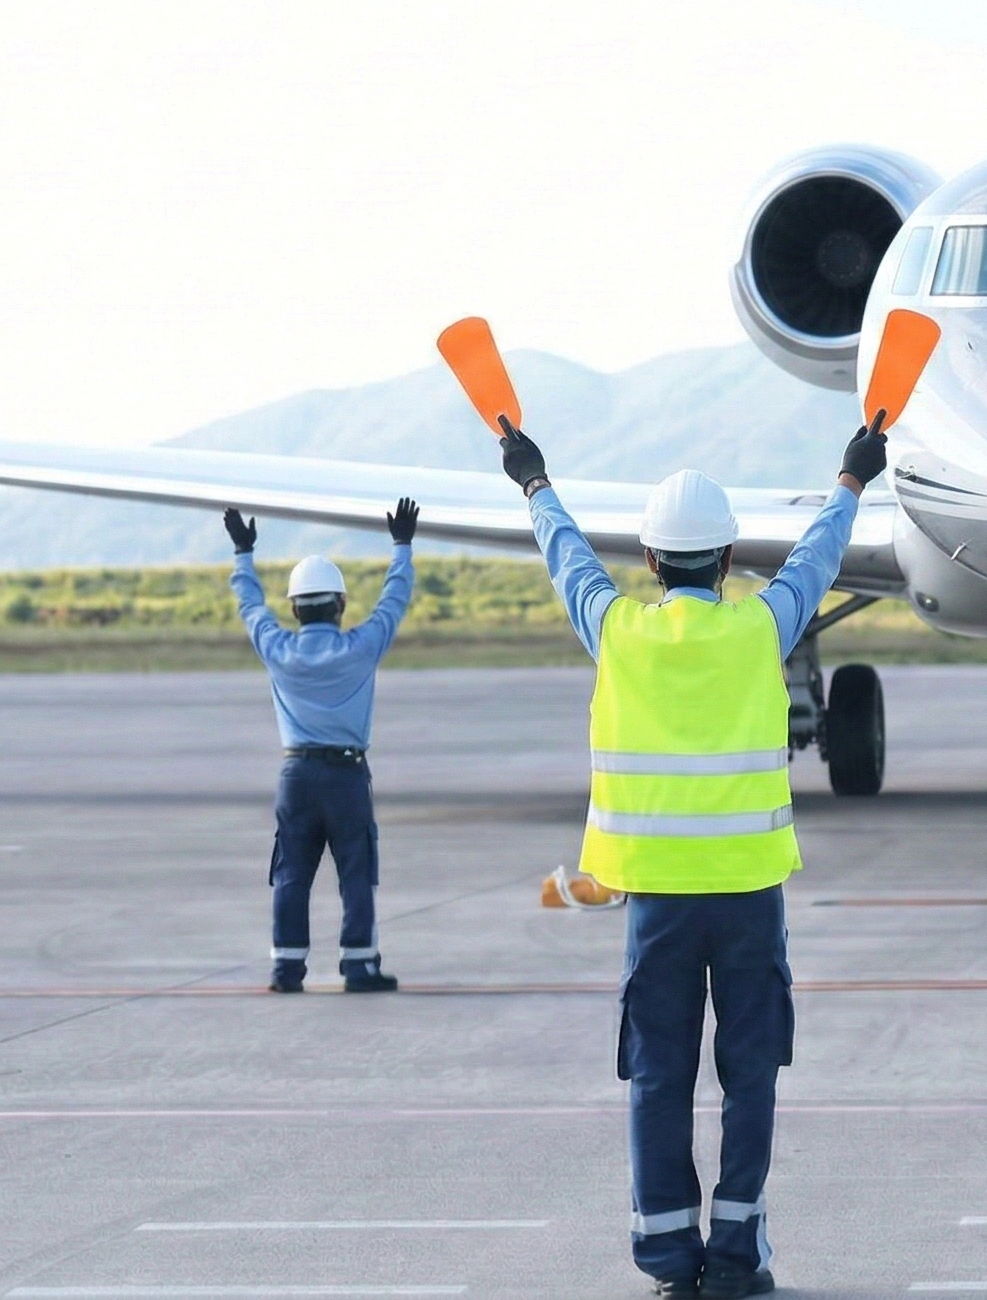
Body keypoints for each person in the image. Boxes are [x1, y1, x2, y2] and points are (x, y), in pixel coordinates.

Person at [499, 412, 887, 1300]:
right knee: (750, 1078)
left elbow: (568, 560)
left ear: (649, 560)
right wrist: (852, 479)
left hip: (658, 904)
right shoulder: (761, 628)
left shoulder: (617, 631)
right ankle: (738, 1259)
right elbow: (816, 560)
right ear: (727, 559)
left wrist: (534, 481)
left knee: (657, 1077)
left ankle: (671, 1259)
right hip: (749, 897)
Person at [224, 497, 420, 995]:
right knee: (356, 871)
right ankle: (359, 967)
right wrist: (401, 546)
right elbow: (393, 601)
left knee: (292, 872)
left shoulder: (279, 650)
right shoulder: (361, 648)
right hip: (346, 776)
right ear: (340, 605)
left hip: (296, 776)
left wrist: (243, 554)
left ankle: (286, 970)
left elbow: (251, 608)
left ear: (294, 608)